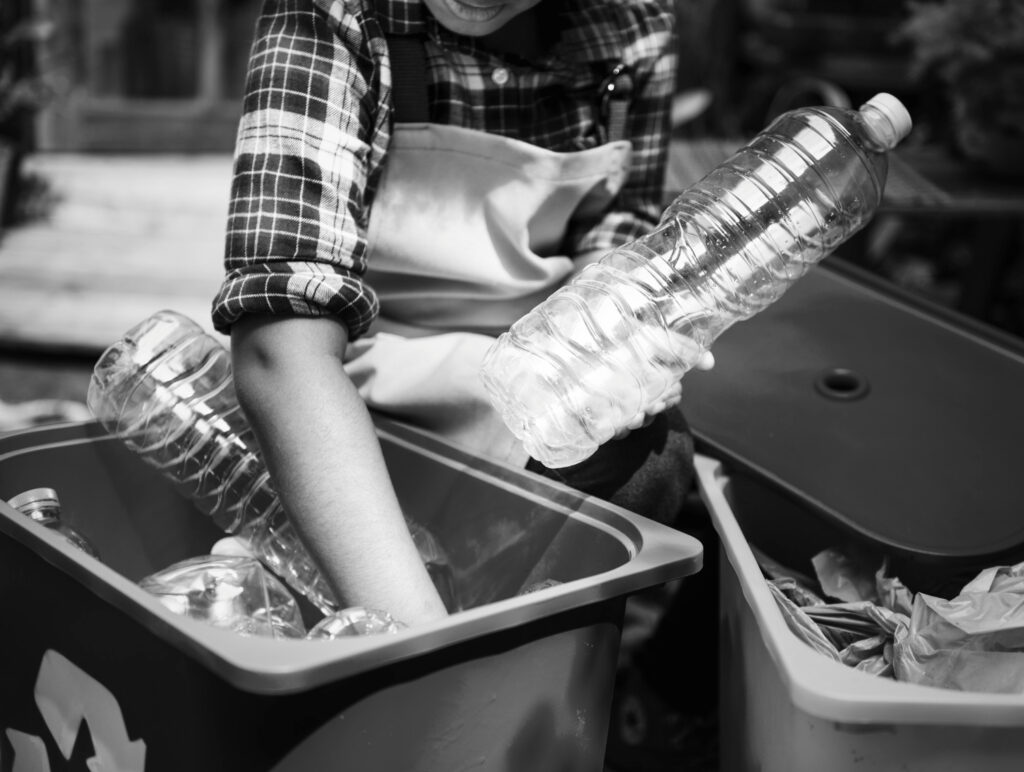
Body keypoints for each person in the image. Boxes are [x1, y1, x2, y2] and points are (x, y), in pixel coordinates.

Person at [212, 0, 712, 627]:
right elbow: (279, 352)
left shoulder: (631, 24)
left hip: (525, 399)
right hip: (354, 404)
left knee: (655, 457)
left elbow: (611, 245)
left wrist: (620, 346)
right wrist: (416, 641)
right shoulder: (334, 15)